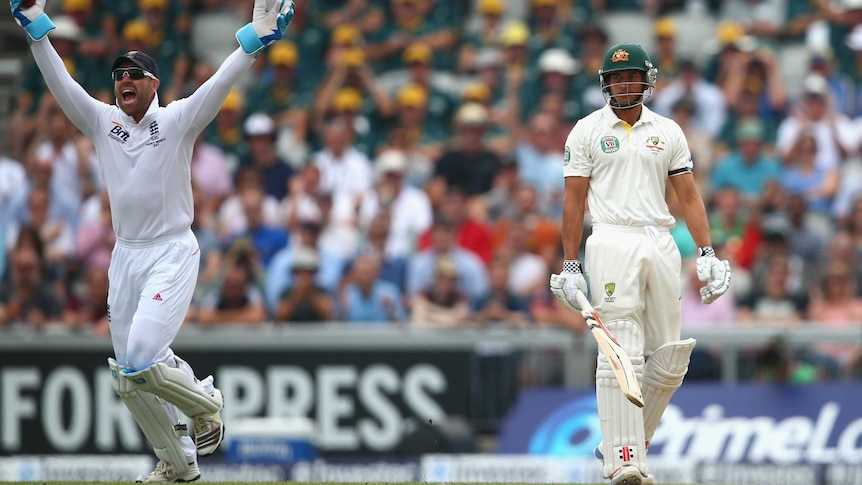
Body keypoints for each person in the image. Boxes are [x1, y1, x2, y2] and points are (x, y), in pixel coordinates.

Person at [11, 0, 295, 481]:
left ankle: (207, 404)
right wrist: (35, 29)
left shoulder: (177, 121)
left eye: (136, 74)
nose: (125, 80)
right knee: (128, 377)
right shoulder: (103, 122)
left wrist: (253, 39)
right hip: (125, 256)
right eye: (119, 73)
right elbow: (60, 83)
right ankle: (179, 464)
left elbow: (219, 84)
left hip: (171, 250)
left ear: (154, 85)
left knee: (142, 356)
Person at [549, 43, 731, 485]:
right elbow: (573, 203)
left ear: (647, 81)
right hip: (612, 237)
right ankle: (623, 463)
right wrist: (571, 263)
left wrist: (707, 252)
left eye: (629, 76)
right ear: (604, 83)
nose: (621, 84)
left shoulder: (667, 131)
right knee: (622, 347)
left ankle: (617, 441)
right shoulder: (587, 130)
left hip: (660, 239)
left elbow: (689, 196)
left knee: (669, 359)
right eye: (614, 78)